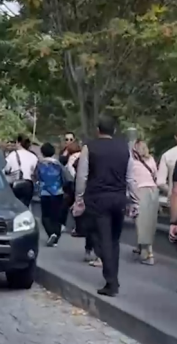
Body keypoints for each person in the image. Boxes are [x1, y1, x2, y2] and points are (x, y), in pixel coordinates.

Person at [74, 114, 136, 296]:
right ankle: (113, 277)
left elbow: (82, 176)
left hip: (97, 199)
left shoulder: (89, 148)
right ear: (114, 130)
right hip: (118, 199)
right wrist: (134, 200)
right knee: (114, 240)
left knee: (101, 238)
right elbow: (130, 177)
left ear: (97, 130)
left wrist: (79, 198)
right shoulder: (125, 149)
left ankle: (111, 281)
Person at [35, 142, 72, 247]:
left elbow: (36, 176)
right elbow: (67, 177)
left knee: (45, 216)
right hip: (57, 192)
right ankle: (55, 235)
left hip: (45, 193)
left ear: (42, 152)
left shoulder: (40, 164)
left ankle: (51, 233)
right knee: (56, 216)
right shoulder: (58, 164)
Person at [131, 139, 158, 265]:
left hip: (140, 191)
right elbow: (155, 175)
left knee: (140, 222)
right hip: (153, 191)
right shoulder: (151, 160)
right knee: (150, 222)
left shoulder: (132, 163)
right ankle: (140, 246)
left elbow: (130, 180)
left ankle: (149, 254)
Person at [4, 135, 38, 207]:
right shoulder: (33, 157)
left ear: (19, 143)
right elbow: (35, 172)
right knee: (26, 206)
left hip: (16, 184)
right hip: (29, 185)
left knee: (15, 206)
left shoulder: (12, 155)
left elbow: (6, 169)